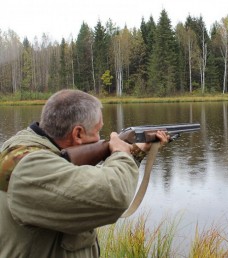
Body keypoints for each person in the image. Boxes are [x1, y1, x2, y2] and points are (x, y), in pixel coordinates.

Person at [0, 89, 168, 258]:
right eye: (97, 131)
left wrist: (135, 153)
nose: (100, 138)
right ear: (78, 133)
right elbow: (115, 195)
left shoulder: (28, 148)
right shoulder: (30, 169)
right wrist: (121, 153)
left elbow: (83, 184)